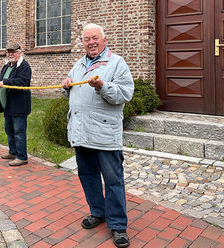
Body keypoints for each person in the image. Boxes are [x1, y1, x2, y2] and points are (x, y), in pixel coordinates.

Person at [61, 23, 134, 248]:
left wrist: (102, 86)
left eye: (94, 38)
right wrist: (66, 87)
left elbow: (125, 93)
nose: (91, 42)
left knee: (113, 180)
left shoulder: (117, 63)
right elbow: (73, 91)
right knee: (88, 176)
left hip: (104, 134)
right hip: (81, 133)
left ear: (104, 39)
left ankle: (118, 225)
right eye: (86, 39)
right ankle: (98, 212)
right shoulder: (79, 63)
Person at [0, 43, 31, 167]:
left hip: (19, 106)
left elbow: (22, 82)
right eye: (8, 52)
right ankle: (13, 152)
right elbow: (2, 77)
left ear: (19, 52)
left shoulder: (24, 66)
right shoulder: (7, 66)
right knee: (9, 130)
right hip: (8, 105)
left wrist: (5, 82)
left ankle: (22, 157)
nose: (10, 54)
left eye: (13, 52)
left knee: (19, 131)